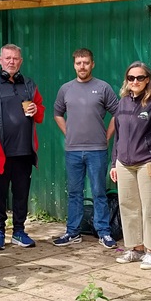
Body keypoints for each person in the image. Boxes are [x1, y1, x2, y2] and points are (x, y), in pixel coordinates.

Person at [0, 43, 45, 250]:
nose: (11, 62)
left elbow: (41, 112)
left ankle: (18, 231)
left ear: (21, 61)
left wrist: (36, 109)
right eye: (7, 58)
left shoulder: (29, 85)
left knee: (21, 193)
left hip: (23, 150)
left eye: (15, 58)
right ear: (0, 60)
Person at [53, 48, 119, 248]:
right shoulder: (66, 89)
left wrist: (106, 137)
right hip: (73, 150)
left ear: (93, 64)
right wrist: (69, 133)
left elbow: (118, 113)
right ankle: (73, 232)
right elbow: (57, 113)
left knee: (99, 191)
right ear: (74, 65)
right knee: (74, 192)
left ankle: (104, 232)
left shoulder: (103, 87)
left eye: (86, 62)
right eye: (78, 63)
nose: (82, 66)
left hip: (97, 150)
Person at [111, 61, 151, 270]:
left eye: (140, 78)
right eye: (131, 78)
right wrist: (113, 163)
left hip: (148, 162)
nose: (135, 81)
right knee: (128, 207)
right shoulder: (123, 103)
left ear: (147, 80)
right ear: (126, 81)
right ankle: (134, 249)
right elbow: (118, 136)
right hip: (124, 163)